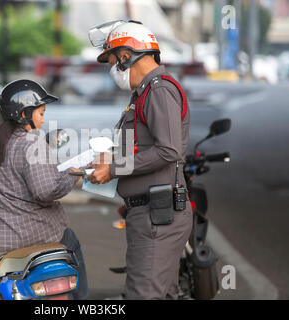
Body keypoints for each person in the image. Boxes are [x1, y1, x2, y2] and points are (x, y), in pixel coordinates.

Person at [87, 20, 193, 299]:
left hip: (157, 216)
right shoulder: (143, 93)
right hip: (147, 214)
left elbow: (169, 151)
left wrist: (114, 168)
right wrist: (103, 161)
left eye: (112, 61)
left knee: (142, 295)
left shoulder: (159, 90)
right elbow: (142, 147)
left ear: (127, 56)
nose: (113, 70)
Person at [0, 79, 88, 300]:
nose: (43, 119)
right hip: (37, 235)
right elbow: (45, 191)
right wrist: (72, 175)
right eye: (41, 113)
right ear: (25, 113)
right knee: (71, 243)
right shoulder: (32, 143)